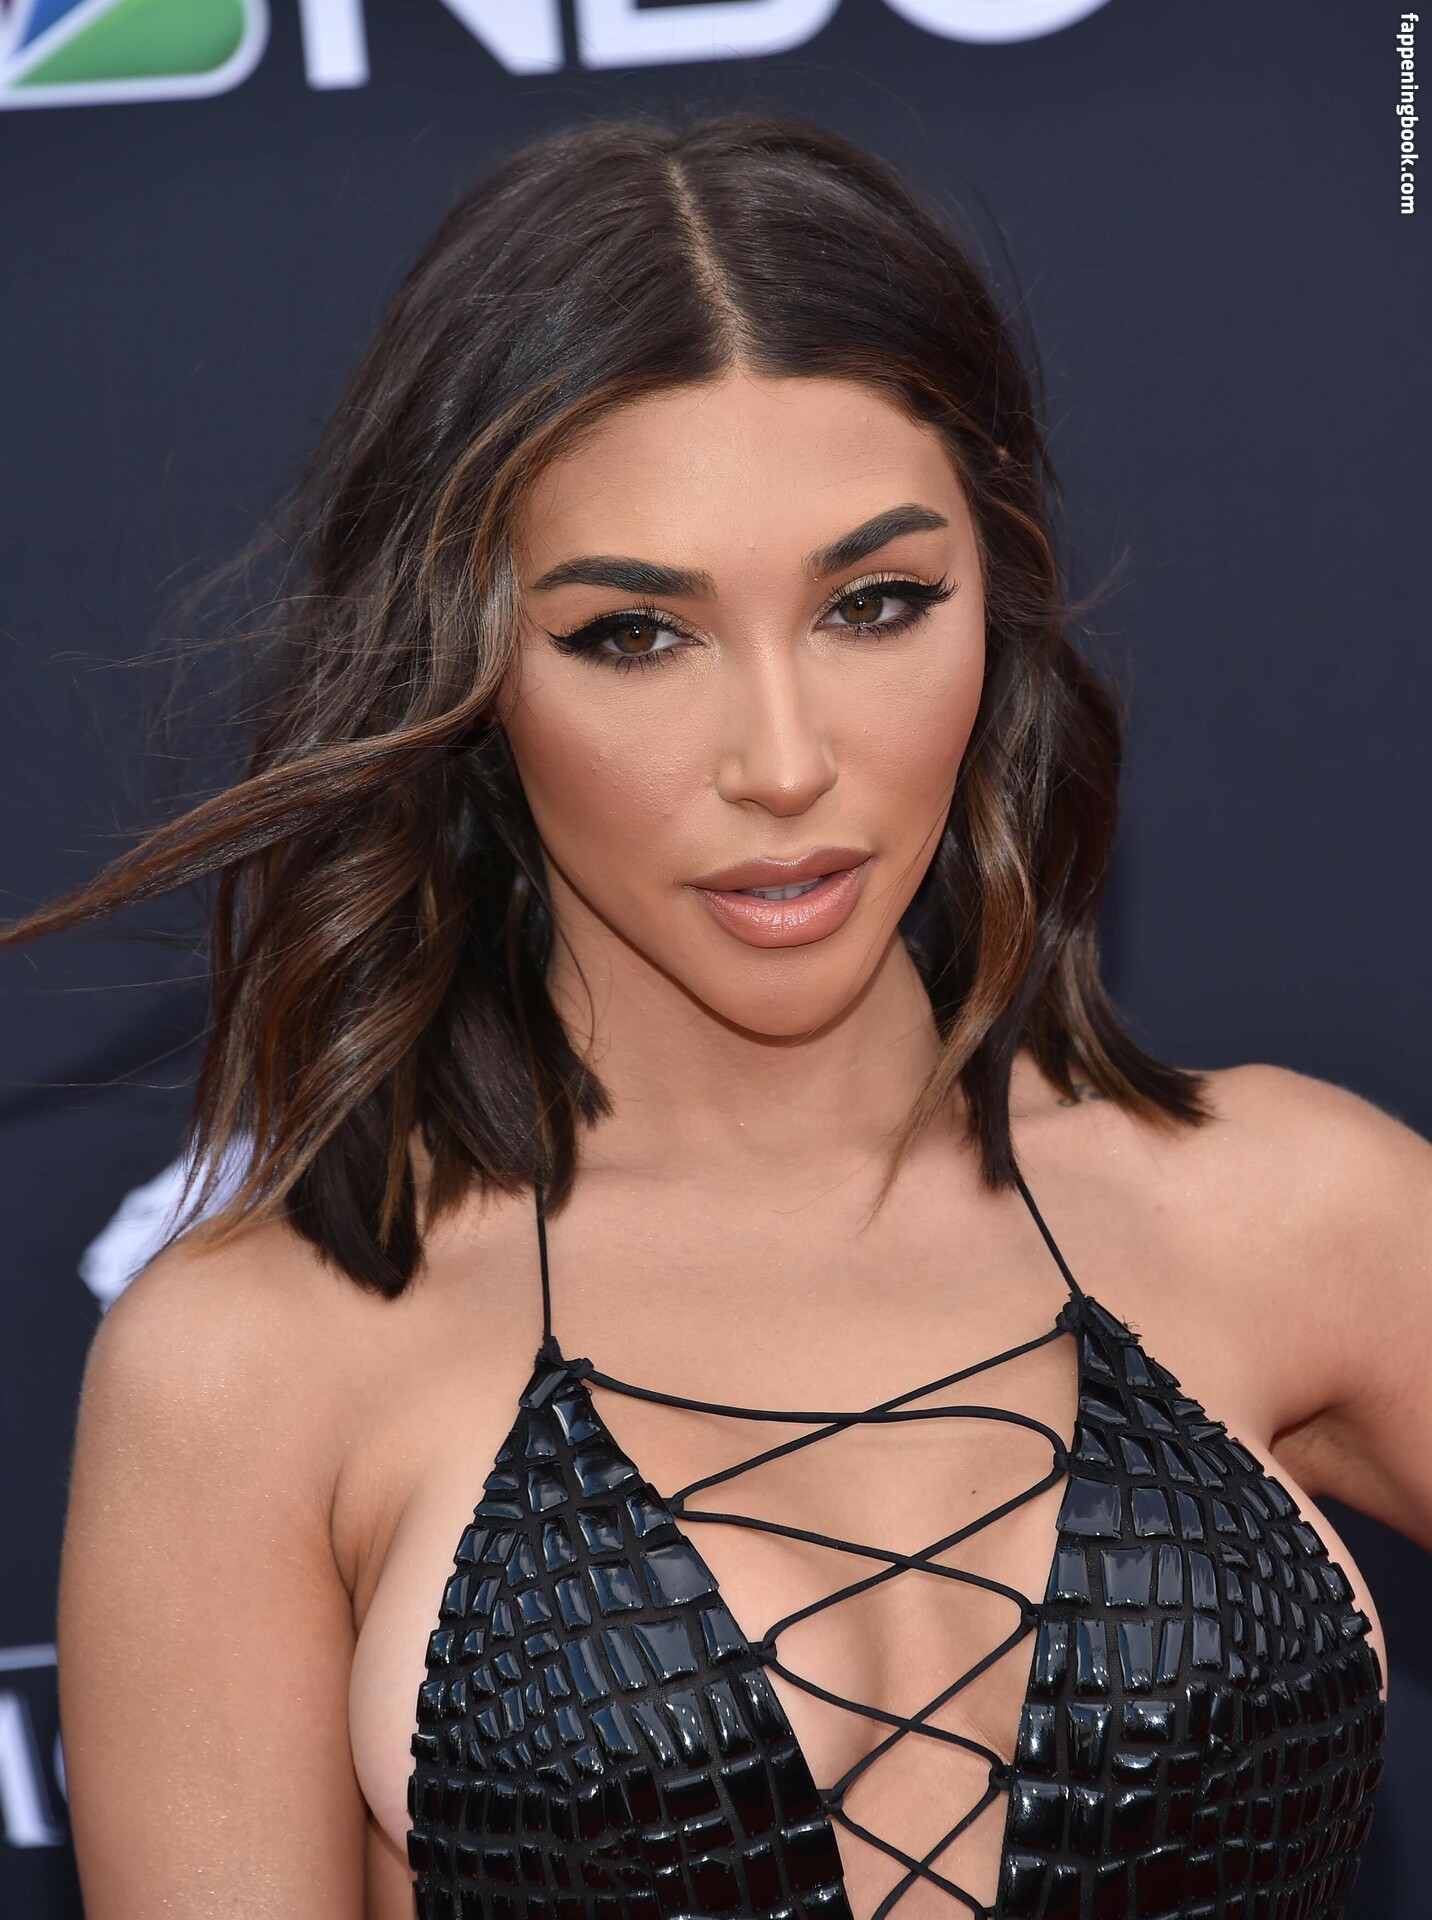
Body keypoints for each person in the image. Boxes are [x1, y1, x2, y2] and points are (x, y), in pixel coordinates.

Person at [5, 111, 1427, 1920]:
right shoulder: (258, 1368)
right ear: (463, 666)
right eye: (634, 634)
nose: (783, 760)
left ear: (996, 596)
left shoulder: (1297, 1210)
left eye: (876, 604)